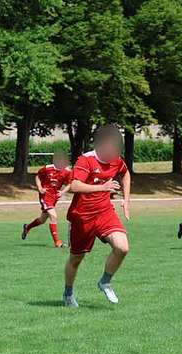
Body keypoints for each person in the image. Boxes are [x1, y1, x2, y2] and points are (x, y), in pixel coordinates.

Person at [63, 125, 131, 307]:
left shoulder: (116, 160)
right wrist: (103, 187)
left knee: (122, 247)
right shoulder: (86, 160)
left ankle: (105, 281)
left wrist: (126, 200)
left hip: (104, 212)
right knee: (76, 259)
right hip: (82, 217)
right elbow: (75, 186)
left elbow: (125, 174)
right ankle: (68, 293)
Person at [21, 151, 72, 247]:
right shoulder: (47, 169)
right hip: (45, 196)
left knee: (42, 220)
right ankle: (57, 242)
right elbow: (38, 177)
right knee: (53, 216)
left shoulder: (67, 171)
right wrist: (40, 188)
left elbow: (70, 184)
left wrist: (62, 192)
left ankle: (27, 227)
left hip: (54, 197)